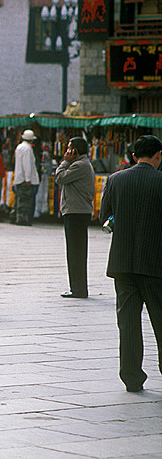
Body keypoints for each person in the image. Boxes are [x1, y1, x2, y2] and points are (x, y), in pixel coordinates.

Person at [98, 135, 162, 393]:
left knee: (128, 324)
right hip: (155, 264)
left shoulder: (115, 180)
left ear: (135, 156)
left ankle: (132, 378)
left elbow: (105, 218)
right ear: (158, 155)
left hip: (123, 263)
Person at [55, 137, 96, 299]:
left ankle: (78, 289)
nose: (66, 152)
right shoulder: (81, 164)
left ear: (75, 151)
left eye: (69, 149)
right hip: (76, 211)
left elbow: (60, 177)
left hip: (76, 212)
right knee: (75, 252)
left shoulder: (79, 165)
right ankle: (77, 287)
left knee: (75, 252)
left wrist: (64, 162)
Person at [13, 129, 39, 226]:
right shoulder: (28, 149)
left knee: (19, 199)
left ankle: (16, 217)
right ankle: (24, 219)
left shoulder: (19, 147)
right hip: (26, 179)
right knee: (26, 200)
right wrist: (28, 179)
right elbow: (27, 165)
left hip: (19, 178)